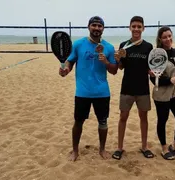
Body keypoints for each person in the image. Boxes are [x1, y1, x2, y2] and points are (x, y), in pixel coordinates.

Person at [59, 16, 118, 161]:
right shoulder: (78, 44)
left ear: (103, 28)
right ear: (88, 27)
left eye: (99, 26)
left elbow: (114, 70)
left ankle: (102, 149)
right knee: (78, 122)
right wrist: (66, 69)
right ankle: (75, 151)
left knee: (103, 122)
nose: (97, 28)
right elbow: (70, 61)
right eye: (94, 25)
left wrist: (105, 62)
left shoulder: (109, 47)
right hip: (82, 92)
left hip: (102, 92)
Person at [112, 16, 154, 160]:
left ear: (143, 28)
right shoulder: (124, 45)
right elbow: (121, 67)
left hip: (143, 88)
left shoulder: (148, 47)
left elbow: (150, 67)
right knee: (123, 117)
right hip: (127, 88)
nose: (136, 29)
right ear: (129, 28)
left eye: (139, 26)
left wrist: (155, 73)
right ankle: (119, 148)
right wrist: (118, 60)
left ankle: (144, 147)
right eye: (134, 26)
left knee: (144, 117)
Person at [149, 26, 175, 160]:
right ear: (160, 39)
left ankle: (174, 146)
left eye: (169, 36)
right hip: (161, 95)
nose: (168, 39)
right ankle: (164, 148)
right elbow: (154, 78)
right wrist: (170, 80)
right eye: (165, 37)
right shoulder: (157, 54)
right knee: (162, 121)